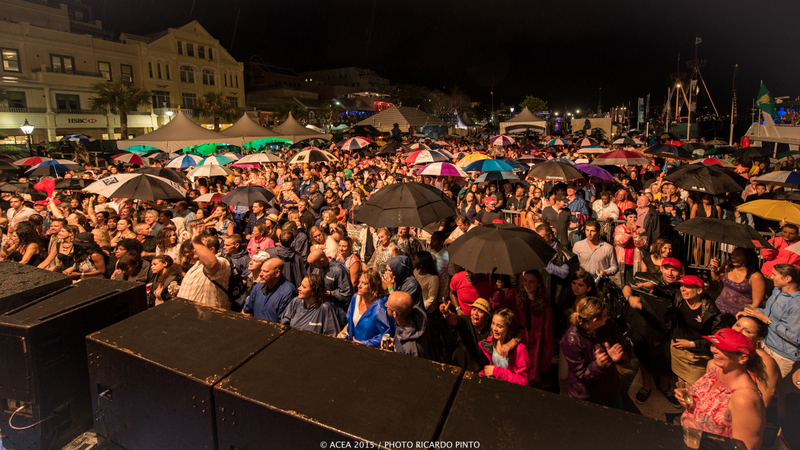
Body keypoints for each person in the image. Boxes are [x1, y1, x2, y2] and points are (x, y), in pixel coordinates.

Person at [676, 328, 766, 450]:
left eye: (723, 348)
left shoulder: (744, 399)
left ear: (742, 358)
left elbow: (746, 447)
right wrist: (689, 398)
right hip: (690, 439)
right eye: (713, 344)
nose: (713, 349)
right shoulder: (714, 369)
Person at [561, 296, 631, 407]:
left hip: (611, 389)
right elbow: (581, 376)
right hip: (588, 397)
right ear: (595, 320)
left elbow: (626, 350)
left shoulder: (608, 326)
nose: (607, 317)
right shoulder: (572, 340)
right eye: (605, 316)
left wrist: (618, 359)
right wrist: (598, 365)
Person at [739, 264, 800, 377]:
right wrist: (753, 313)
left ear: (787, 279)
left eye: (775, 275)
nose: (771, 277)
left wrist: (768, 321)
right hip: (766, 345)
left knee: (774, 389)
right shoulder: (777, 291)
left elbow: (795, 337)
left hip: (782, 355)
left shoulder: (796, 304)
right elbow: (769, 313)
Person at [670, 275, 724, 385]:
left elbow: (717, 338)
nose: (682, 289)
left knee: (694, 388)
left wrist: (692, 344)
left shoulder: (711, 311)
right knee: (681, 383)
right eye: (681, 285)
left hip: (698, 356)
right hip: (678, 351)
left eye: (687, 286)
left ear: (699, 290)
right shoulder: (678, 300)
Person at [179, 224, 232, 309]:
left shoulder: (222, 261)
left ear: (211, 250)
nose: (195, 249)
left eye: (200, 246)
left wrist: (196, 241)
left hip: (207, 317)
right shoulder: (197, 264)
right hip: (189, 315)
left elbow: (211, 264)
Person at [732, 316, 782, 407]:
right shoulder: (726, 351)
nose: (738, 331)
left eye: (747, 331)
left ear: (759, 338)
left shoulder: (765, 361)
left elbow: (765, 400)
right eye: (737, 325)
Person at [338, 269, 394, 347]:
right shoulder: (355, 298)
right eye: (359, 282)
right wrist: (345, 329)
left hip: (369, 351)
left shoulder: (379, 307)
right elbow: (350, 320)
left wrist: (365, 343)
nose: (358, 286)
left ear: (373, 286)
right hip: (351, 347)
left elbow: (385, 335)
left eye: (364, 283)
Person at [711, 247, 767, 325]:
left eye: (738, 255)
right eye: (732, 254)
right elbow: (716, 278)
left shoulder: (755, 276)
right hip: (719, 309)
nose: (733, 257)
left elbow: (756, 304)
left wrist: (744, 317)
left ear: (747, 258)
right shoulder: (728, 266)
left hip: (737, 316)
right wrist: (713, 268)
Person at [280, 274, 345, 337]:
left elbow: (331, 335)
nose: (299, 288)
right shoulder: (296, 302)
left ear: (314, 291)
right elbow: (284, 322)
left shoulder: (325, 308)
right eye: (300, 285)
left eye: (304, 287)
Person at [477, 308, 529, 385]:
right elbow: (491, 368)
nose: (494, 328)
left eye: (499, 326)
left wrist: (497, 371)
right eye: (493, 323)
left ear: (508, 328)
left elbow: (523, 382)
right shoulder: (491, 341)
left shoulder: (519, 350)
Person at [440, 297, 492, 373]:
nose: (475, 313)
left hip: (479, 373)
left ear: (487, 316)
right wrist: (447, 313)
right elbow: (454, 320)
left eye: (480, 311)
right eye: (474, 309)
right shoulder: (466, 321)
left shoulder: (491, 330)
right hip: (459, 368)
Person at [242, 258, 298, 322]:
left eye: (265, 271)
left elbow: (284, 322)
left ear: (277, 273)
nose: (260, 274)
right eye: (261, 270)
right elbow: (246, 310)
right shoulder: (258, 286)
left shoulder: (288, 291)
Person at [386, 291, 436, 360]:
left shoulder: (412, 349)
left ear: (394, 314)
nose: (386, 306)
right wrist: (396, 342)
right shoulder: (420, 321)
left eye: (388, 306)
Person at [614, 208, 647, 285]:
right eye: (630, 217)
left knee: (635, 279)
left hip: (634, 258)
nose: (633, 219)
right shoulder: (619, 228)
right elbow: (620, 242)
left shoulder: (641, 230)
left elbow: (642, 244)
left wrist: (635, 233)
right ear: (625, 217)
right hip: (621, 258)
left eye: (635, 217)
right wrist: (629, 232)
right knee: (620, 279)